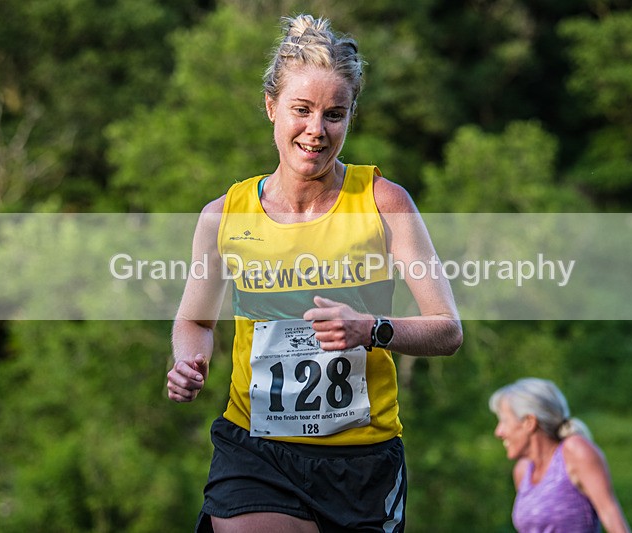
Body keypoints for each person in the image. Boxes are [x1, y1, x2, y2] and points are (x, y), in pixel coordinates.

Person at [166, 13, 462, 533]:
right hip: (257, 451)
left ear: (350, 117)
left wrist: (369, 330)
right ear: (271, 107)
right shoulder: (224, 215)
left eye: (334, 114)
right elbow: (195, 321)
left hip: (362, 462)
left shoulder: (384, 202)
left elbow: (447, 329)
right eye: (301, 110)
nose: (316, 131)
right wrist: (190, 361)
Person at [489, 378, 632, 533]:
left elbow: (611, 516)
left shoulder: (574, 451)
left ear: (529, 422)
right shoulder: (522, 471)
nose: (498, 432)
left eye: (504, 421)